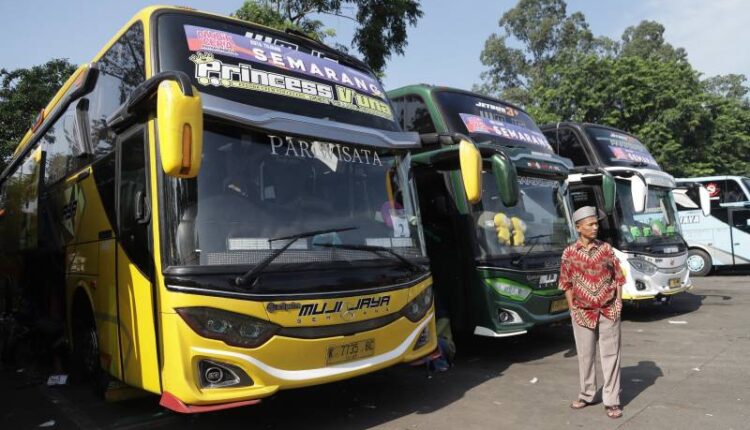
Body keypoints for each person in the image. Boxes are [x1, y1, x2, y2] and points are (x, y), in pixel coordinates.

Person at [559, 206, 625, 419]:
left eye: (596, 223)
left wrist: (618, 304)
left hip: (608, 310)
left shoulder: (606, 249)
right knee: (585, 356)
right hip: (582, 313)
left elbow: (618, 277)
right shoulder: (569, 253)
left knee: (611, 356)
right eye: (591, 224)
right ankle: (587, 394)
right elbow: (566, 283)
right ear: (579, 227)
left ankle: (612, 401)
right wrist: (573, 309)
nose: (596, 227)